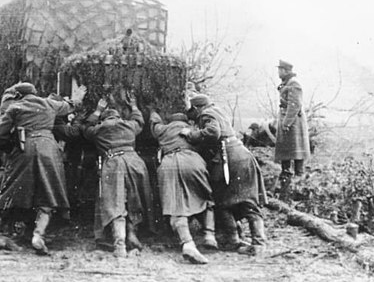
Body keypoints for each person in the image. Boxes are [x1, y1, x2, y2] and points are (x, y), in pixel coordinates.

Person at [0, 82, 86, 255]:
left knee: (8, 190)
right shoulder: (49, 104)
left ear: (18, 95)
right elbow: (70, 106)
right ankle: (38, 235)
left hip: (24, 148)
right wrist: (78, 97)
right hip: (49, 149)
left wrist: (10, 148)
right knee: (49, 192)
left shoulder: (14, 107)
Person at [181, 94, 268, 256]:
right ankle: (259, 243)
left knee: (222, 200)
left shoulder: (206, 114)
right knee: (249, 201)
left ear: (197, 108)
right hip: (243, 154)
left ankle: (232, 240)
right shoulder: (218, 110)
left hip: (228, 159)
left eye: (192, 111)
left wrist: (191, 134)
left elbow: (213, 132)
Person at [83, 94, 155, 258]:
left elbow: (86, 129)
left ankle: (120, 245)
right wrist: (134, 106)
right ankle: (132, 233)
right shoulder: (129, 125)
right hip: (135, 162)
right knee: (134, 199)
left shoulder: (100, 128)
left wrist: (96, 111)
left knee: (115, 203)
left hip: (114, 163)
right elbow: (139, 122)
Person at [149, 111, 216, 264]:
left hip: (169, 163)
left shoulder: (163, 129)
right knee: (205, 197)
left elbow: (154, 123)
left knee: (175, 205)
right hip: (192, 161)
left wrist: (154, 112)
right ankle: (209, 235)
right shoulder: (192, 131)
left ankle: (187, 243)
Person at [274, 60, 311, 184]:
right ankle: (286, 172)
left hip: (294, 121)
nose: (278, 72)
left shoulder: (294, 83)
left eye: (280, 69)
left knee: (297, 148)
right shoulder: (287, 83)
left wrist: (286, 123)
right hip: (287, 118)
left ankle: (299, 175)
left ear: (285, 71)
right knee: (286, 147)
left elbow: (294, 105)